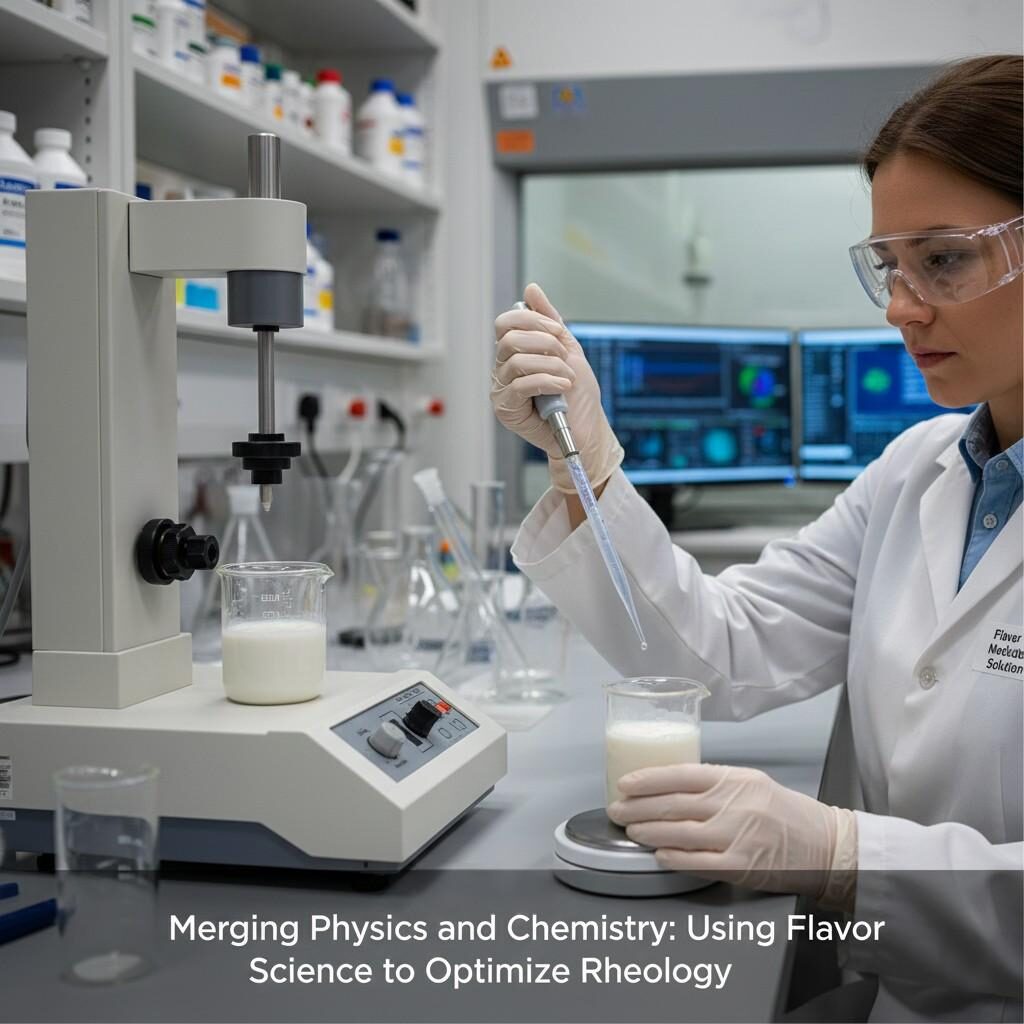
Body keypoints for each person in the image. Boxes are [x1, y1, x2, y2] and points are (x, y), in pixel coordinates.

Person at [491, 55, 1022, 1021]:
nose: (902, 307)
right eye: (889, 267)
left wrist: (842, 854)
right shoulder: (917, 469)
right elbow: (717, 655)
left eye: (942, 259)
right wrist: (587, 466)